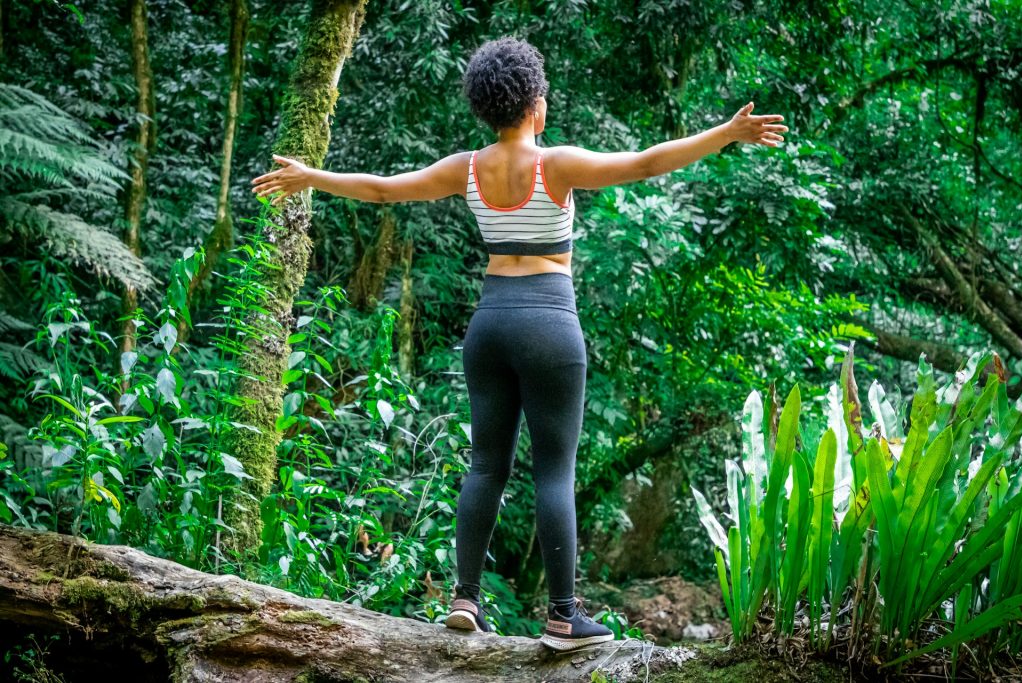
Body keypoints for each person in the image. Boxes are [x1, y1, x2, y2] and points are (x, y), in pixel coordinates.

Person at [252, 36, 786, 651]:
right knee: (553, 473)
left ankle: (465, 600)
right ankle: (563, 616)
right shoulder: (553, 165)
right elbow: (644, 163)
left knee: (486, 465)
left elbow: (382, 188)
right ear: (533, 102)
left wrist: (309, 176)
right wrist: (724, 132)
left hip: (490, 325)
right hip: (549, 322)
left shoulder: (467, 168)